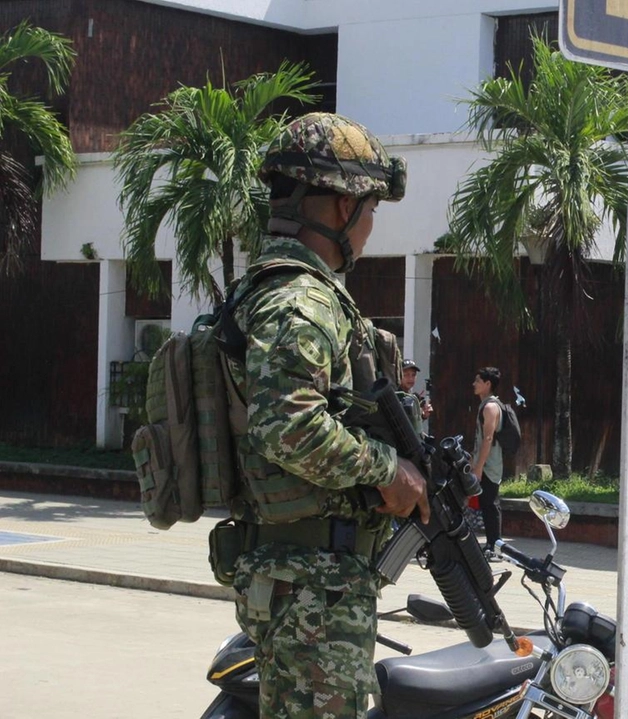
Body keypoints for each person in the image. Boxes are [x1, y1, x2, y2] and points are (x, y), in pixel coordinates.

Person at [230, 112, 430, 719]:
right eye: (370, 211)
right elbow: (286, 423)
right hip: (311, 585)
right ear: (341, 208)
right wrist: (387, 470)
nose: (370, 230)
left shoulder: (281, 289)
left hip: (309, 578)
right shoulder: (301, 300)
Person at [472, 366, 505, 556]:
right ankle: (492, 545)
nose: (474, 384)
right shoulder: (484, 405)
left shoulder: (491, 407)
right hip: (486, 463)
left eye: (478, 381)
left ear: (488, 384)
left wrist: (479, 467)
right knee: (487, 504)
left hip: (490, 465)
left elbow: (488, 439)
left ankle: (495, 546)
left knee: (491, 504)